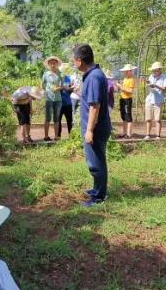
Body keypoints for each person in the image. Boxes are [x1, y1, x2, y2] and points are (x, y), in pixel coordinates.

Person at [72, 44, 111, 207]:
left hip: (95, 128)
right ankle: (97, 189)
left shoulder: (94, 77)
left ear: (79, 60)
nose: (74, 63)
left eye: (74, 60)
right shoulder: (93, 75)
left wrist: (89, 131)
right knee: (95, 160)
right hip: (96, 127)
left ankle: (99, 197)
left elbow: (95, 106)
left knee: (96, 162)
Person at [144, 61, 166, 140]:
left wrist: (155, 85)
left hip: (158, 100)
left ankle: (158, 136)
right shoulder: (151, 76)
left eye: (155, 70)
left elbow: (165, 89)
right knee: (148, 119)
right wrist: (149, 84)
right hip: (149, 99)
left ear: (160, 70)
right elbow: (149, 87)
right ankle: (148, 135)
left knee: (157, 119)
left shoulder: (164, 77)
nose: (154, 72)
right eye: (153, 70)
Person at [41, 56, 63, 141]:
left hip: (58, 99)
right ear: (49, 64)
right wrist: (44, 92)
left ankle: (56, 136)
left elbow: (63, 85)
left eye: (54, 63)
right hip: (49, 99)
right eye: (51, 63)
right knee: (47, 118)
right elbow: (42, 84)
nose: (53, 64)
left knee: (57, 119)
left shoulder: (60, 73)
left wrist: (59, 88)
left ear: (57, 64)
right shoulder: (46, 74)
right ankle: (46, 136)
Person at [115, 64, 137, 139]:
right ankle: (124, 133)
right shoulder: (125, 79)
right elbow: (123, 88)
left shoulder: (131, 79)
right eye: (125, 71)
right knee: (123, 116)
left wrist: (121, 87)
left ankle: (128, 134)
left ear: (130, 71)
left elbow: (130, 91)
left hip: (127, 99)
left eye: (126, 71)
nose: (125, 73)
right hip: (122, 98)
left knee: (128, 116)